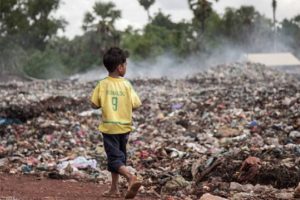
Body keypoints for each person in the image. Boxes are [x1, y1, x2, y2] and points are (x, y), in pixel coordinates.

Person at [91, 47, 142, 199]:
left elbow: (94, 104)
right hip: (124, 127)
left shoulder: (102, 84)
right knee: (119, 158)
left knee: (114, 159)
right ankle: (114, 188)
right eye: (125, 65)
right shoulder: (126, 85)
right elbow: (137, 104)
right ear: (120, 67)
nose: (126, 68)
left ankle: (130, 177)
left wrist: (103, 102)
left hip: (109, 127)